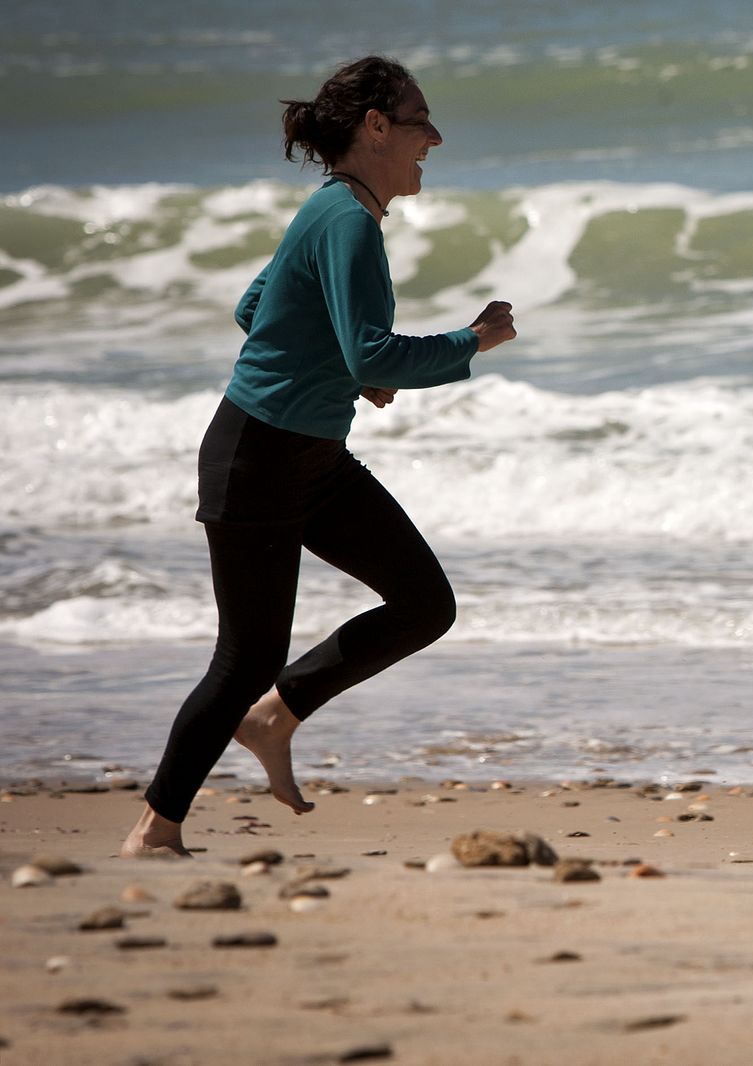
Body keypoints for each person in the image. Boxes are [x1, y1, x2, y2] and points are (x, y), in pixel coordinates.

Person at [120, 56, 516, 858]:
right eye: (420, 121)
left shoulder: (334, 210)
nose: (433, 138)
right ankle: (154, 829)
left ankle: (274, 718)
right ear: (376, 126)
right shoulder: (347, 221)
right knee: (245, 656)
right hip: (257, 456)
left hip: (310, 457)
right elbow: (370, 355)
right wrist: (471, 340)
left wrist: (338, 368)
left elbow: (255, 306)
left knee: (423, 603)